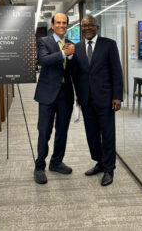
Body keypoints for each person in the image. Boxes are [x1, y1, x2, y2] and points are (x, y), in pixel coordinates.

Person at [72, 15, 123, 186]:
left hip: (106, 98)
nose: (86, 28)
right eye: (83, 26)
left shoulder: (109, 45)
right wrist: (78, 95)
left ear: (97, 27)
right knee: (92, 135)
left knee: (107, 135)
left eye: (90, 25)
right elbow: (76, 74)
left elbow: (117, 72)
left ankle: (109, 169)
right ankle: (100, 162)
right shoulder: (77, 48)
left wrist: (117, 96)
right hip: (86, 99)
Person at [34, 13, 75, 184]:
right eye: (58, 22)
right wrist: (64, 54)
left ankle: (56, 162)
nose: (61, 25)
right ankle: (39, 166)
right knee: (44, 131)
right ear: (52, 25)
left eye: (64, 23)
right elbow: (43, 60)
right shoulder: (44, 41)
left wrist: (71, 56)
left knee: (62, 131)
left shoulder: (71, 43)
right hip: (47, 94)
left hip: (65, 94)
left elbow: (74, 69)